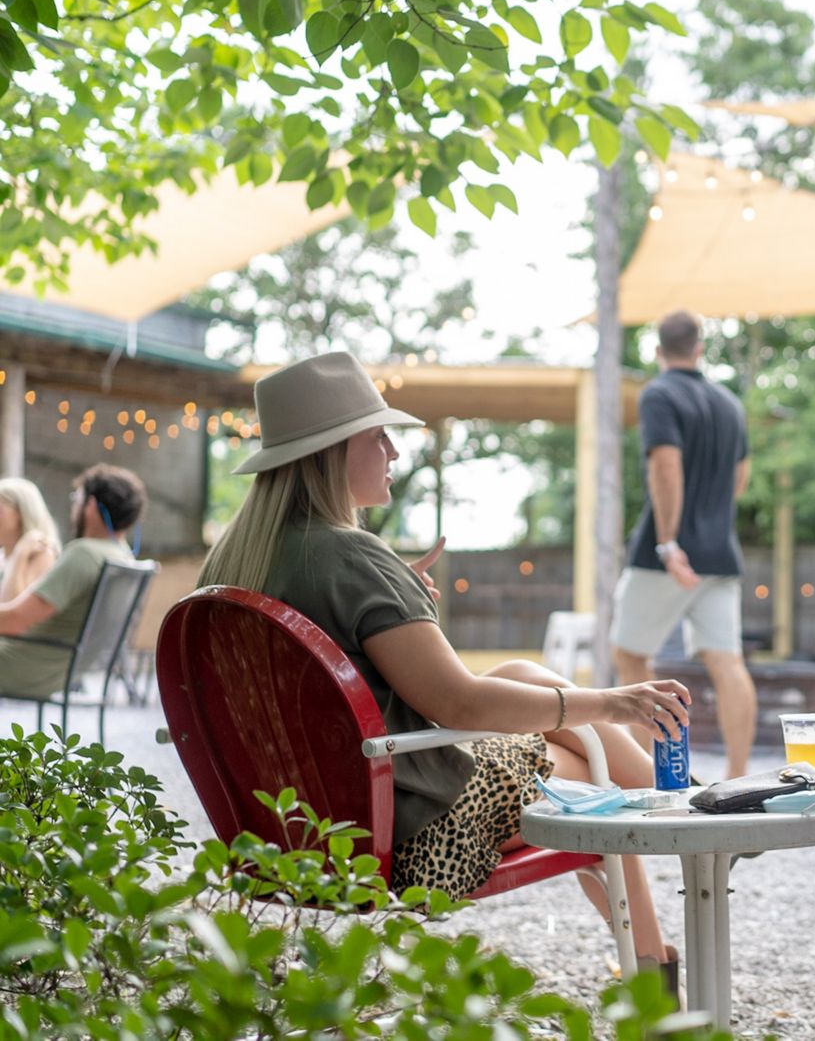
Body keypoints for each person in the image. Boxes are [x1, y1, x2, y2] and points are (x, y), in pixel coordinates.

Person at [198, 352, 691, 974]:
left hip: (285, 829)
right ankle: (671, 889)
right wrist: (613, 700)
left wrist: (397, 599)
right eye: (378, 437)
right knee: (587, 776)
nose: (393, 453)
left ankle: (674, 823)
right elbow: (458, 705)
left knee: (519, 674)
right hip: (408, 835)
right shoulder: (348, 558)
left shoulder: (229, 568)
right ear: (335, 450)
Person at [612, 310, 757, 777]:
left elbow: (666, 466)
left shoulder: (658, 394)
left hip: (668, 557)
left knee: (630, 656)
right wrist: (709, 518)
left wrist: (669, 542)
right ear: (699, 349)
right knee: (727, 661)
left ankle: (644, 773)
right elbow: (740, 477)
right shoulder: (730, 404)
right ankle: (738, 779)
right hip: (720, 554)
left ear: (658, 351)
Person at [0, 466, 143, 698]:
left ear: (91, 506)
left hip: (27, 665)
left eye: (77, 499)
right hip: (65, 668)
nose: (73, 508)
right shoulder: (123, 555)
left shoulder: (84, 554)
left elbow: (15, 621)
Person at [0, 477, 61, 604]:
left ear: (21, 513)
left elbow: (13, 611)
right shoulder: (2, 554)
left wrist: (19, 555)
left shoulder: (43, 555)